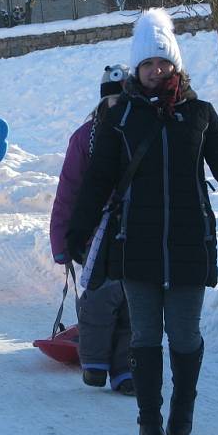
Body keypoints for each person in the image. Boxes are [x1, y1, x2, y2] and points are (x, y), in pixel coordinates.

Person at [67, 8, 218, 435]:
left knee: (184, 335)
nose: (155, 71)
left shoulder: (200, 115)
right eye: (147, 63)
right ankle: (149, 422)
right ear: (137, 68)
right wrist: (77, 232)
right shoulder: (120, 117)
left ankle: (182, 405)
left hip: (190, 243)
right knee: (146, 336)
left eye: (162, 62)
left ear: (176, 65)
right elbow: (97, 181)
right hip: (137, 245)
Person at [50, 64, 135, 397]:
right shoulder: (86, 138)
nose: (119, 106)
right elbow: (68, 191)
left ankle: (125, 367)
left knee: (132, 302)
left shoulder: (142, 132)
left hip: (137, 229)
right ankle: (96, 361)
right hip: (94, 232)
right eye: (113, 101)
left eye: (125, 100)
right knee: (101, 297)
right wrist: (62, 240)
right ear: (103, 103)